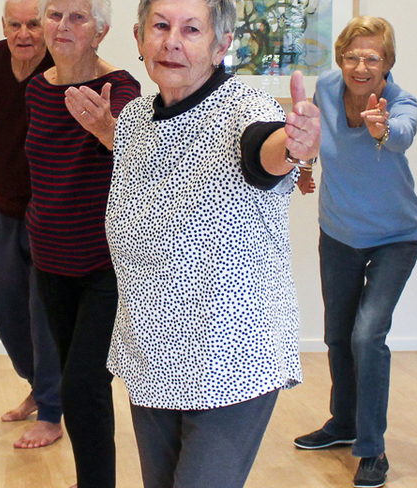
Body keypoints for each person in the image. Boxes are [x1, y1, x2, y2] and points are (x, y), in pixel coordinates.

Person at [99, 0, 317, 486]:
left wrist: (293, 144)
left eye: (191, 29)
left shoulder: (247, 110)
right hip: (151, 355)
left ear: (221, 46)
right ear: (138, 38)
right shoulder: (134, 121)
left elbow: (264, 150)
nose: (171, 41)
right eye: (160, 26)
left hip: (230, 360)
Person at [288, 15, 417, 488]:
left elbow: (401, 134)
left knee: (368, 337)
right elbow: (312, 134)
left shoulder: (401, 102)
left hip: (395, 238)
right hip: (339, 232)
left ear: (387, 64)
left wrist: (381, 128)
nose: (361, 66)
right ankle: (342, 423)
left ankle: (372, 449)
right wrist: (303, 166)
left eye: (372, 58)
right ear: (341, 59)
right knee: (338, 336)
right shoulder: (326, 87)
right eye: (352, 56)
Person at [26, 0, 140, 485]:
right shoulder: (36, 88)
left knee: (83, 387)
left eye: (78, 17)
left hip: (103, 265)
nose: (62, 26)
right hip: (50, 260)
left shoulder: (121, 89)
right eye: (55, 15)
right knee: (83, 391)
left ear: (101, 32)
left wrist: (104, 128)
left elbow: (137, 164)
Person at [0, 0, 66, 450]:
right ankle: (38, 385)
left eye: (33, 23)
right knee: (8, 313)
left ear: (47, 26)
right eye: (15, 24)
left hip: (52, 216)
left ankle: (52, 412)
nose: (24, 33)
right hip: (3, 211)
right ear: (3, 25)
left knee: (44, 315)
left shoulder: (63, 68)